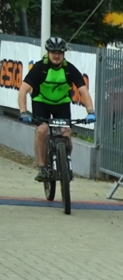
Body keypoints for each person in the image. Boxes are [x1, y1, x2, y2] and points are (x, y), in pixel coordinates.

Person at [17, 38, 94, 183]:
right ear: (48, 53)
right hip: (41, 103)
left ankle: (65, 161)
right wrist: (23, 112)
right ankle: (42, 168)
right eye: (53, 52)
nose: (56, 56)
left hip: (61, 104)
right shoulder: (40, 68)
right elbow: (23, 90)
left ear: (64, 54)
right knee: (42, 130)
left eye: (59, 53)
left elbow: (84, 91)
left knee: (66, 132)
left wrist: (90, 112)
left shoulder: (69, 69)